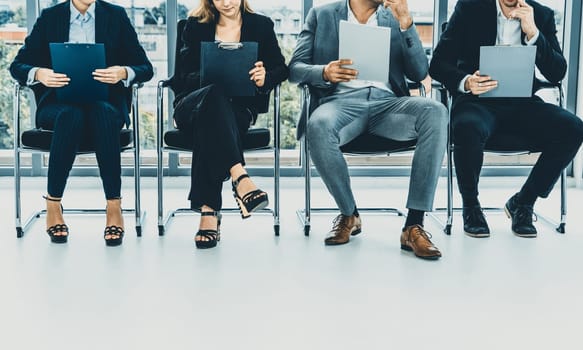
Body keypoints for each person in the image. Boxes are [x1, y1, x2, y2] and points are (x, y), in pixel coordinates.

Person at [289, 0, 448, 260]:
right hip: (341, 104)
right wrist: (325, 72)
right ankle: (349, 213)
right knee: (318, 124)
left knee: (436, 112)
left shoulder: (394, 17)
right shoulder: (322, 15)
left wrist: (406, 23)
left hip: (388, 105)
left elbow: (420, 72)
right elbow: (295, 69)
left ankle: (414, 224)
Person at [429, 0, 583, 238]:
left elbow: (557, 72)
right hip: (477, 102)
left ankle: (524, 202)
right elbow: (438, 64)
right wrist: (467, 81)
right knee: (466, 126)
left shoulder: (540, 15)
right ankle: (471, 206)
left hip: (523, 104)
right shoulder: (470, 8)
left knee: (573, 128)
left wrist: (533, 32)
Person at [10, 0, 154, 246]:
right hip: (58, 106)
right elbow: (18, 66)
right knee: (71, 115)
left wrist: (123, 72)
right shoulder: (50, 17)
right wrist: (39, 73)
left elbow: (145, 67)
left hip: (106, 103)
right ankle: (53, 204)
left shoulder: (116, 16)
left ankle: (114, 207)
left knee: (102, 113)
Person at [173, 0, 288, 249]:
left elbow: (281, 68)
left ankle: (208, 212)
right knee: (213, 95)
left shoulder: (261, 25)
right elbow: (183, 77)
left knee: (212, 125)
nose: (226, 2)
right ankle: (240, 177)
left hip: (237, 109)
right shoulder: (194, 26)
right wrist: (212, 72)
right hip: (193, 105)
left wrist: (264, 76)